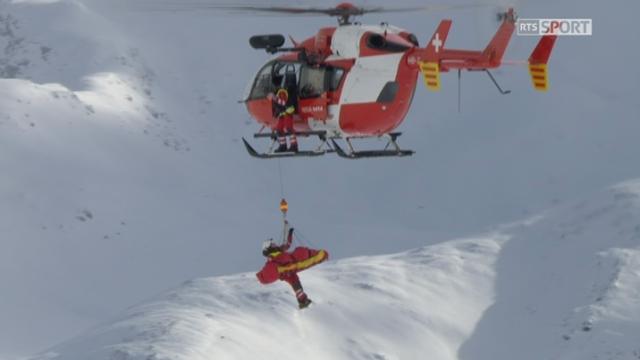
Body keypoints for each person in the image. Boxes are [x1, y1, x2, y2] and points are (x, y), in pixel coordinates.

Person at [260, 221, 312, 309]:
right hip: (283, 271)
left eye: (274, 243)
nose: (274, 244)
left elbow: (288, 244)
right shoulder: (271, 256)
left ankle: (303, 301)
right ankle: (302, 300)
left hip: (289, 270)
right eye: (272, 244)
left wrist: (290, 233)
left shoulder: (279, 249)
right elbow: (272, 265)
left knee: (296, 282)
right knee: (293, 280)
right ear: (268, 247)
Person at [271, 88, 298, 153]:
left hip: (288, 113)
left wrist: (275, 98)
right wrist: (276, 114)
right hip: (282, 115)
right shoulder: (276, 96)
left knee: (289, 128)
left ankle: (294, 146)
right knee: (279, 130)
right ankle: (283, 146)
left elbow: (284, 103)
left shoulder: (281, 93)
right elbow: (278, 107)